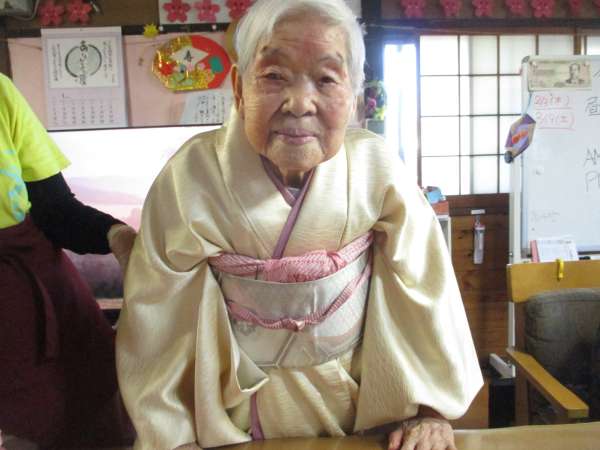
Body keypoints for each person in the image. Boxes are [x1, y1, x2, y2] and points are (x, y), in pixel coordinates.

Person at [116, 1, 483, 449]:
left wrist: (427, 411)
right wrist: (172, 435)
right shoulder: (190, 177)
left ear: (352, 95)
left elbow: (424, 288)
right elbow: (157, 317)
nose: (300, 103)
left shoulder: (376, 169)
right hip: (231, 420)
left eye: (326, 79)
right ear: (238, 87)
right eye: (274, 76)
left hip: (363, 413)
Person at [0, 72, 136, 448]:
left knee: (99, 415)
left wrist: (119, 236)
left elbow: (54, 210)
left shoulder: (1, 93)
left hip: (49, 297)